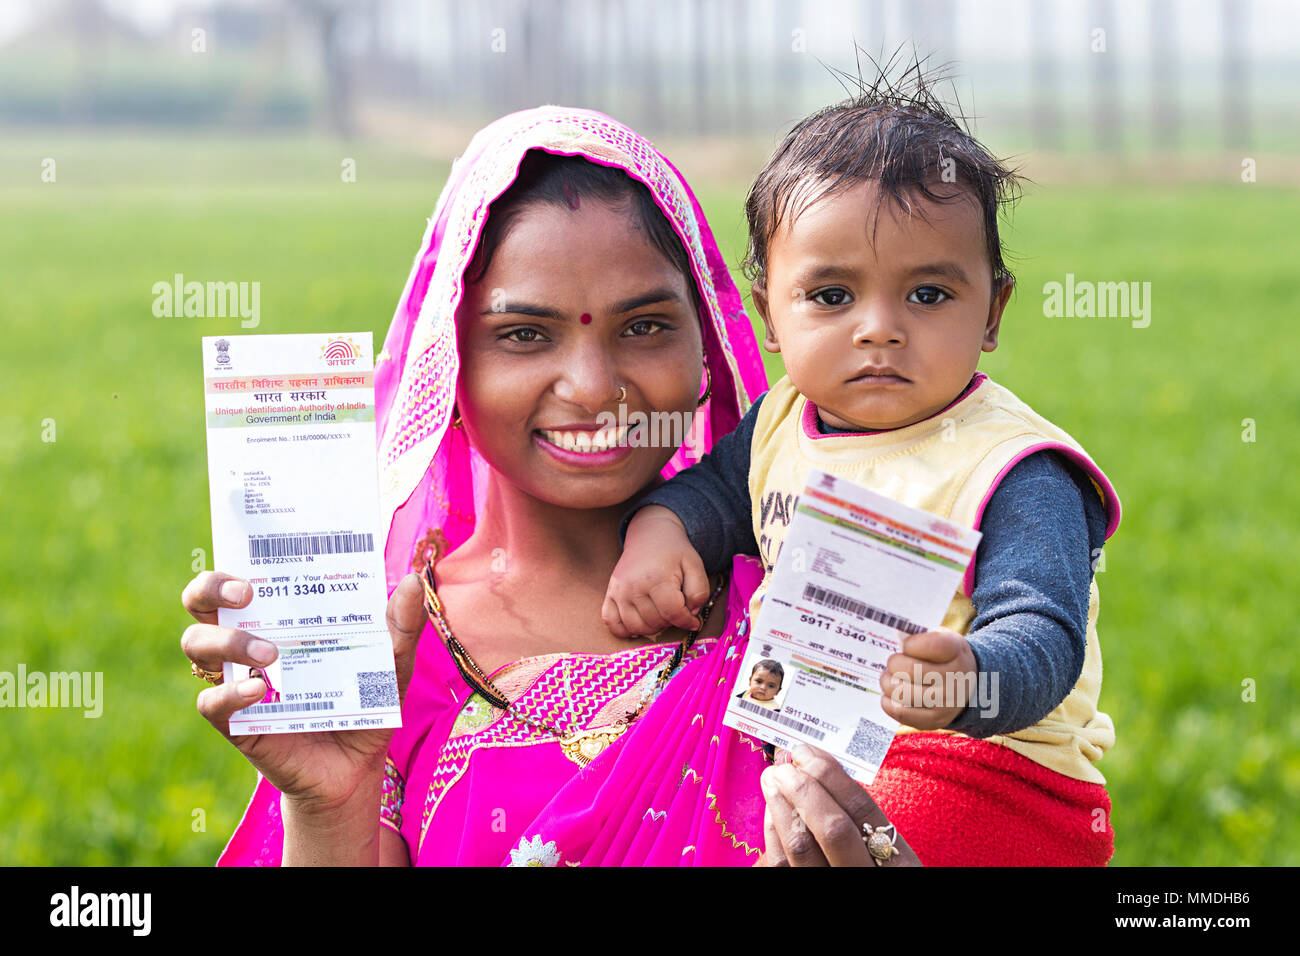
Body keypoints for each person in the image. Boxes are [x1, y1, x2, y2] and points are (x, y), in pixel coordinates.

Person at [180, 105, 920, 867]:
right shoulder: (389, 653)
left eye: (644, 327)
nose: (594, 390)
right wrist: (327, 804)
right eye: (525, 335)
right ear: (449, 366)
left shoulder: (810, 604)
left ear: (708, 347)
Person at [604, 74, 1123, 864]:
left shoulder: (1013, 467)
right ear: (769, 312)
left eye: (926, 294)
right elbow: (714, 492)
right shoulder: (781, 419)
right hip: (831, 739)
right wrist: (662, 527)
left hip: (993, 773)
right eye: (832, 294)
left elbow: (1046, 633)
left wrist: (972, 677)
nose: (878, 330)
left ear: (992, 311)